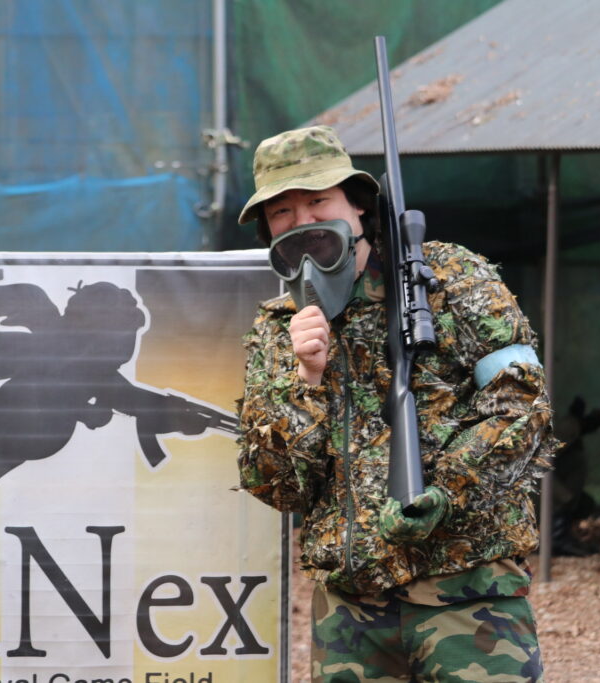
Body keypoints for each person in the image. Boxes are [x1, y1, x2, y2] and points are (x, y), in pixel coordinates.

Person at [235, 126, 558, 682]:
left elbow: (523, 404)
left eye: (318, 200)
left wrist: (447, 491)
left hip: (468, 593)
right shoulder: (277, 328)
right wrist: (305, 379)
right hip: (351, 613)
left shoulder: (447, 276)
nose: (303, 220)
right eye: (282, 211)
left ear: (358, 205)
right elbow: (277, 485)